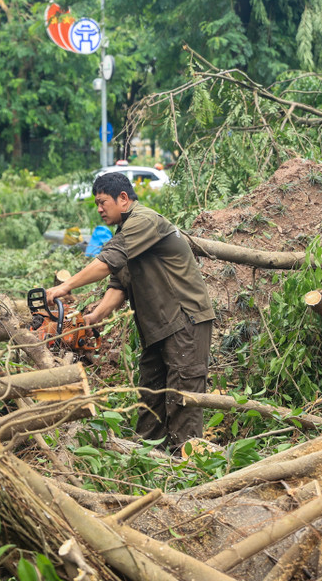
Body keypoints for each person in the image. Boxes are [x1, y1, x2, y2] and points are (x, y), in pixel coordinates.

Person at [45, 172, 214, 452]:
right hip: (159, 327)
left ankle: (187, 465)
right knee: (151, 397)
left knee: (182, 399)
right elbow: (119, 285)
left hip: (185, 320)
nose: (99, 209)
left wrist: (66, 286)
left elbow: (107, 262)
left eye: (103, 202)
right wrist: (93, 318)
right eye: (96, 204)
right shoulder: (125, 232)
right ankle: (147, 461)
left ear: (123, 198)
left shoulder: (144, 221)